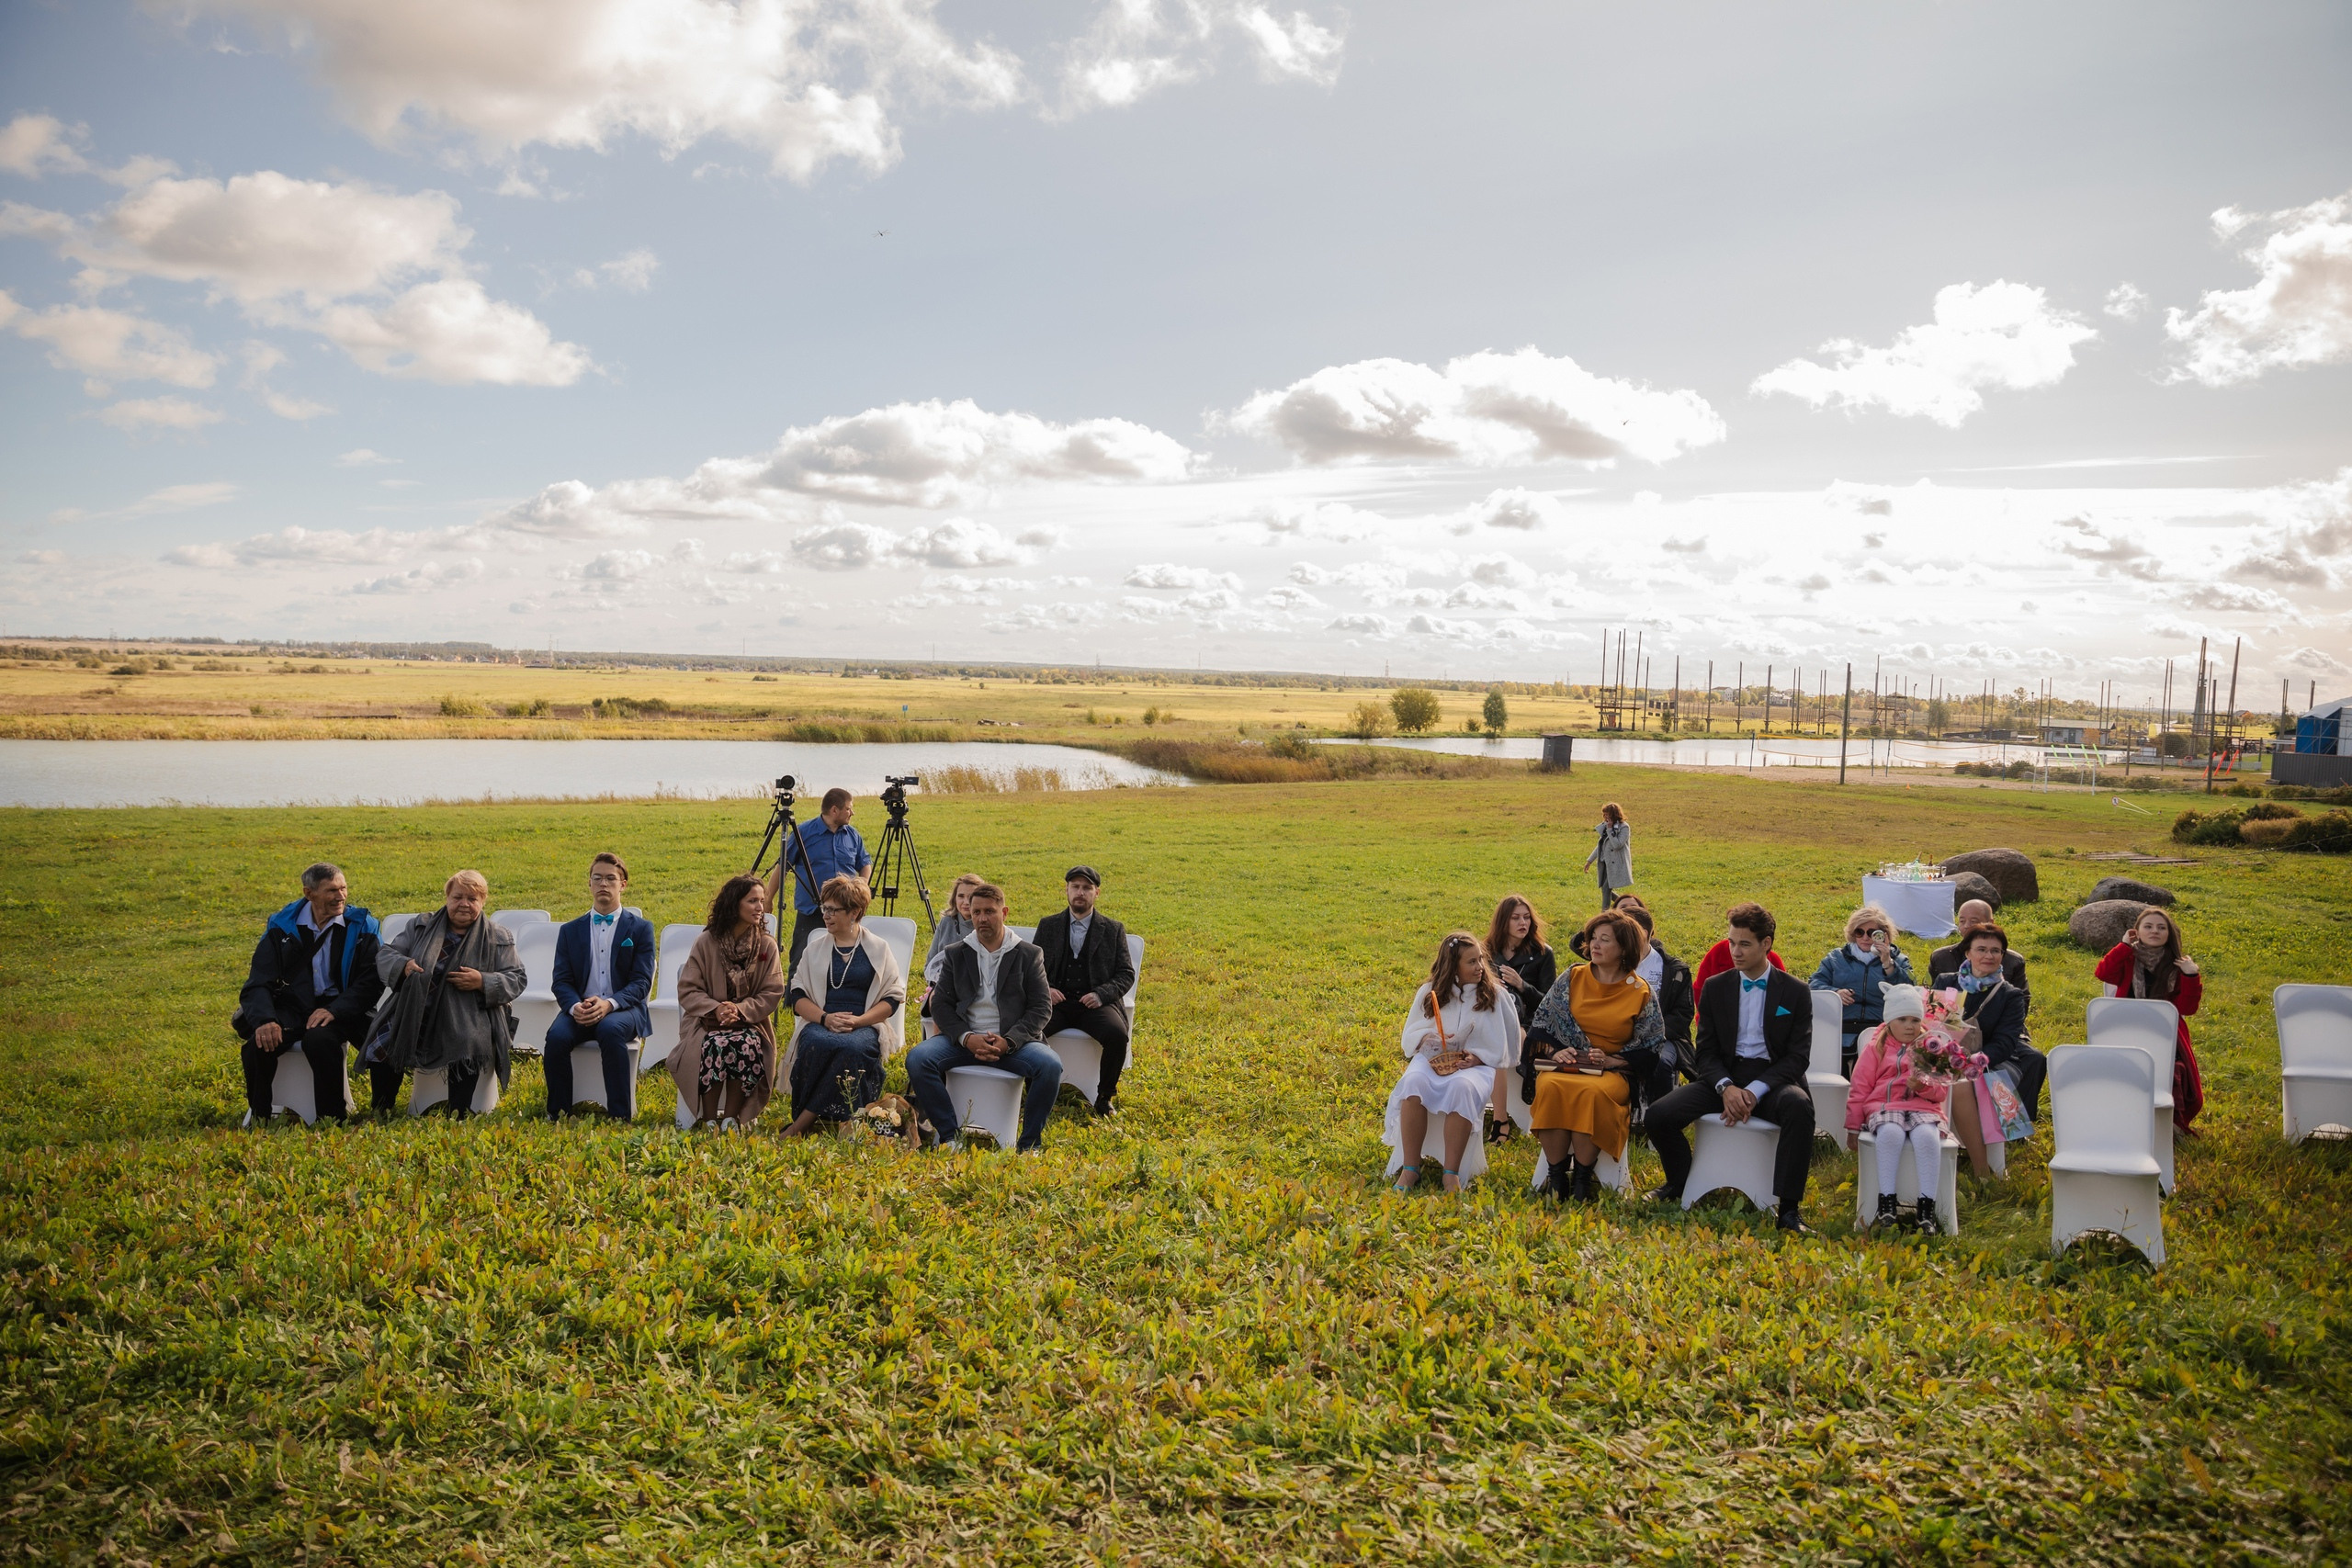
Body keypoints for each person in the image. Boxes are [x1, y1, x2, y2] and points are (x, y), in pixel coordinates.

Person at [1644, 902, 1818, 1233]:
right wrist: (1726, 1087)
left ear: (1766, 944)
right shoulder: (1716, 987)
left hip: (1773, 1079)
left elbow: (1797, 1058)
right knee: (1658, 1116)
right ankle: (1680, 1182)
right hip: (1724, 1075)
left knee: (1799, 1108)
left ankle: (1789, 1211)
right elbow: (1705, 1051)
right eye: (1731, 943)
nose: (1735, 951)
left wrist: (1753, 1091)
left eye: (1745, 944)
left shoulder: (1795, 991)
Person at [1522, 910, 1668, 1201]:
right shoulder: (1573, 977)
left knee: (1593, 1093)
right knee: (1550, 1086)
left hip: (1612, 1073)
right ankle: (1556, 1176)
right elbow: (1544, 1024)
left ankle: (1582, 1179)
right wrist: (1556, 1049)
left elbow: (1652, 1045)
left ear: (1624, 948)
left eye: (1605, 940)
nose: (1595, 945)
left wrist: (1615, 1061)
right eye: (1593, 939)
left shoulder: (1640, 991)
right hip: (1567, 1066)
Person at [907, 883, 1059, 1151]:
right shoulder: (956, 953)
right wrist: (967, 1038)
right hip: (965, 1041)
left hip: (1014, 1044)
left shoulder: (1028, 954)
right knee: (918, 1059)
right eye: (976, 912)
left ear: (1005, 912)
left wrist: (1008, 1041)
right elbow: (941, 1005)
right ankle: (950, 1136)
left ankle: (1029, 1144)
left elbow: (1041, 1007)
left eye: (989, 911)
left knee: (1049, 1065)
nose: (982, 918)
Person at [234, 862, 384, 1123]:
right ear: (309, 893)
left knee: (321, 1040)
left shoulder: (362, 925)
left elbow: (371, 981)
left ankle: (331, 1118)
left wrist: (335, 1010)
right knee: (257, 1046)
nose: (341, 896)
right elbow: (258, 981)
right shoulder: (282, 927)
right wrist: (265, 1020)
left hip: (340, 1007)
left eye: (344, 888)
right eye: (331, 891)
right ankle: (260, 1116)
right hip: (293, 1007)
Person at [374, 870, 527, 1117]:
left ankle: (458, 1112)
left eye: (472, 898)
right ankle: (382, 1108)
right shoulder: (421, 925)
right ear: (447, 897)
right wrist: (403, 965)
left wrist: (482, 981)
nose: (464, 904)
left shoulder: (498, 936)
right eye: (458, 897)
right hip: (416, 1007)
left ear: (483, 902)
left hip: (472, 1013)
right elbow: (386, 953)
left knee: (467, 1039)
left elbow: (517, 979)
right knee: (385, 1037)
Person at [1383, 931, 1518, 1193]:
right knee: (1413, 1082)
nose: (1480, 967)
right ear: (1453, 965)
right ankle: (1411, 1168)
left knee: (1461, 1088)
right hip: (1433, 1062)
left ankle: (1451, 1173)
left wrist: (1477, 1056)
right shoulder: (1430, 992)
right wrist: (1427, 1037)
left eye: (1480, 959)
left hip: (1475, 1067)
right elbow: (1410, 1034)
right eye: (1471, 962)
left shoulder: (1494, 996)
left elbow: (1504, 1044)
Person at [780, 873, 906, 1137]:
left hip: (864, 1023)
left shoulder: (878, 949)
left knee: (851, 1048)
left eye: (833, 910)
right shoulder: (815, 948)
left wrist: (859, 1021)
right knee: (818, 1042)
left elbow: (893, 998)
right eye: (824, 908)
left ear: (855, 912)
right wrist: (825, 1019)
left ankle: (803, 1124)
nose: (825, 915)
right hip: (820, 1020)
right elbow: (798, 994)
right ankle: (822, 1116)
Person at [542, 852, 656, 1121]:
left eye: (610, 878)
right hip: (581, 1006)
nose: (603, 884)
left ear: (623, 884)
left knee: (609, 1028)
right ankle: (558, 1111)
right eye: (598, 878)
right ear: (589, 884)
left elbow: (641, 982)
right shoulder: (570, 930)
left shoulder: (640, 929)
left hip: (624, 1008)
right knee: (556, 1037)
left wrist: (609, 1004)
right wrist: (573, 1008)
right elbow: (561, 981)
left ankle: (619, 1115)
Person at [669, 874, 787, 1130]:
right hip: (705, 1021)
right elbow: (689, 988)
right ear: (735, 904)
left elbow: (773, 991)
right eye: (752, 901)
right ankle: (710, 1117)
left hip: (750, 1023)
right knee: (715, 1043)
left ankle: (731, 1118)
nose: (760, 907)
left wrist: (739, 1010)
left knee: (746, 1043)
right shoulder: (706, 942)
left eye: (762, 901)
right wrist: (717, 1008)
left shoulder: (766, 945)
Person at [1844, 985, 1953, 1234]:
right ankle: (1887, 1204)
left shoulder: (1930, 1048)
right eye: (1902, 1019)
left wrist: (1923, 1086)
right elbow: (1859, 1088)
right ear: (1889, 1020)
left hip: (1923, 1108)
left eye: (1915, 1020)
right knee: (1890, 1133)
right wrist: (1852, 1125)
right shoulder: (1876, 1048)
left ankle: (1926, 1208)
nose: (1909, 1026)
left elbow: (1942, 1090)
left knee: (1927, 1137)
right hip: (1884, 1107)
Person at [1034, 865, 1137, 1116]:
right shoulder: (1048, 925)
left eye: (1087, 888)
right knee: (1030, 1030)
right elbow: (1031, 967)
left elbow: (1126, 974)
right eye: (1075, 887)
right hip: (1056, 1003)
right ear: (1067, 891)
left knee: (1117, 1035)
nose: (1080, 892)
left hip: (1095, 1003)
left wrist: (1101, 994)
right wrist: (1046, 988)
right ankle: (1038, 1090)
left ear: (1097, 893)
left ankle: (1104, 1096)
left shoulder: (1113, 929)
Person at [2092, 906, 2205, 1130]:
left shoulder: (2178, 966)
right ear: (2138, 931)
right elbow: (2103, 973)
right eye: (2149, 926)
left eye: (2161, 928)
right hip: (2126, 1030)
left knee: (2174, 1071)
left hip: (2166, 1034)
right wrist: (2124, 945)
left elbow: (2187, 1008)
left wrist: (2191, 976)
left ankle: (2170, 1125)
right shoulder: (2127, 958)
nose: (2155, 931)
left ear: (2169, 934)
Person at [763, 787, 872, 976]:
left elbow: (865, 863)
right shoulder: (803, 832)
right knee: (801, 958)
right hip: (811, 909)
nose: (852, 813)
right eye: (848, 808)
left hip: (845, 909)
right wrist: (768, 897)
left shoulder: (852, 835)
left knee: (846, 955)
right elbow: (783, 866)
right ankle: (793, 1000)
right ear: (834, 810)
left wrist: (861, 887)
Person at [1947, 921, 2043, 1130]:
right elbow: (1933, 1024)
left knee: (2018, 1067)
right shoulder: (1946, 982)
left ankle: (2009, 1129)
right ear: (1967, 953)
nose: (1988, 956)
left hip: (1987, 1056)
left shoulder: (2010, 995)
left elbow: (2005, 1041)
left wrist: (1974, 1060)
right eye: (1981, 949)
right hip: (1946, 1052)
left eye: (1995, 951)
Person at [1483, 895, 1556, 1143]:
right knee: (1494, 1035)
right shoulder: (1486, 951)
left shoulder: (1543, 954)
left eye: (1526, 917)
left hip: (1526, 1021)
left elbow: (1549, 1004)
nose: (1522, 923)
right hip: (1489, 1016)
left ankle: (1500, 1119)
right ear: (1503, 922)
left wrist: (1522, 985)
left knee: (1503, 1039)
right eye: (1515, 918)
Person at [1809, 904, 1915, 1073]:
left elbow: (1910, 991)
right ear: (1853, 934)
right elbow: (1814, 983)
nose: (1865, 937)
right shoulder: (1836, 958)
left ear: (1883, 935)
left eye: (1872, 933)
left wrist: (1887, 963)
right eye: (1859, 932)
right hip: (1842, 1029)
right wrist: (1835, 993)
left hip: (1880, 1030)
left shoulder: (1899, 960)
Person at [1618, 902, 1694, 1101]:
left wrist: (1645, 1036)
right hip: (1614, 1035)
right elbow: (1579, 943)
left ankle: (1659, 1118)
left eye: (1623, 931)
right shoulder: (1609, 963)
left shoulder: (1674, 970)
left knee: (1659, 1062)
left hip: (1663, 1039)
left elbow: (1681, 1017)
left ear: (1642, 934)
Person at [1928, 898, 2030, 1006]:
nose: (1966, 926)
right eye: (1962, 921)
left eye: (1973, 921)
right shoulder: (1941, 957)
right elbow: (1930, 999)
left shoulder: (2013, 961)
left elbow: (2022, 1000)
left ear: (1990, 923)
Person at [1583, 802, 1633, 909]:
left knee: (1606, 889)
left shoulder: (1624, 827)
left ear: (1614, 814)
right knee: (1605, 889)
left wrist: (1610, 830)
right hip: (1605, 863)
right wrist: (1589, 861)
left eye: (1607, 814)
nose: (1605, 817)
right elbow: (1600, 846)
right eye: (1604, 814)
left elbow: (1617, 845)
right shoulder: (1606, 827)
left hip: (1616, 864)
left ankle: (1604, 914)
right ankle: (1626, 906)